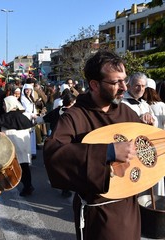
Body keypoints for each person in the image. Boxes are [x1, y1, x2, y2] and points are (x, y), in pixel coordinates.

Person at [43, 50, 143, 240]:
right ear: (94, 85)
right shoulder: (74, 116)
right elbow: (53, 156)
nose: (124, 87)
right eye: (115, 82)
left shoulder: (127, 113)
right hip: (99, 215)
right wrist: (108, 152)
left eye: (125, 80)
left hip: (129, 209)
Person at [0, 95, 35, 196]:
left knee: (16, 167)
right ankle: (28, 186)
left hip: (13, 147)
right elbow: (30, 128)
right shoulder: (23, 116)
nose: (3, 106)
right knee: (25, 166)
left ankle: (25, 186)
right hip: (24, 146)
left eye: (4, 104)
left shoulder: (5, 117)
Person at [142, 77, 165, 196]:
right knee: (158, 179)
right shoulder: (161, 105)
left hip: (143, 147)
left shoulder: (142, 104)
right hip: (160, 145)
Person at [21, 83, 37, 159]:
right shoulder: (23, 98)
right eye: (27, 89)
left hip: (32, 119)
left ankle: (32, 152)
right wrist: (31, 115)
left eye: (30, 89)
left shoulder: (31, 98)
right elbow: (24, 110)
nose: (28, 91)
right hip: (27, 118)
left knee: (32, 136)